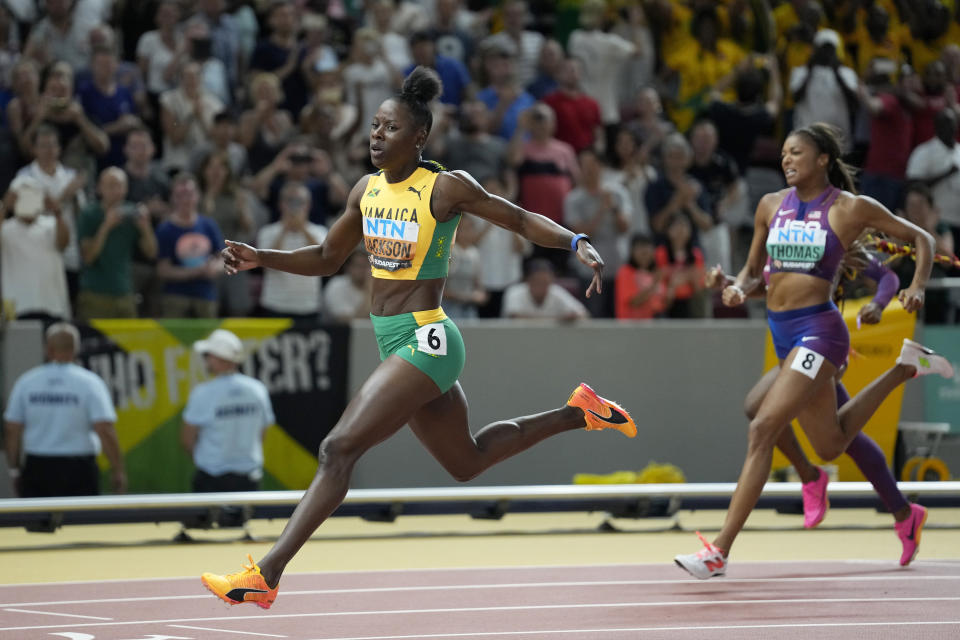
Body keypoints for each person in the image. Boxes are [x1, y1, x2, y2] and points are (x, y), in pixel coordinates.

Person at [201, 67, 635, 608]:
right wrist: (262, 257)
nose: (377, 136)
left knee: (337, 449)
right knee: (467, 463)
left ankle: (266, 574)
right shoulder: (365, 190)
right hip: (393, 341)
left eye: (390, 127)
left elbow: (520, 220)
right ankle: (580, 411)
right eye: (374, 126)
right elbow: (328, 258)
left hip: (427, 339)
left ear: (419, 137)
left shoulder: (444, 187)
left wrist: (576, 241)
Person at [674, 123, 954, 580]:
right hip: (783, 334)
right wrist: (731, 288)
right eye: (783, 153)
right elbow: (752, 277)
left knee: (764, 425)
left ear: (822, 158)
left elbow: (920, 239)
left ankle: (719, 550)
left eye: (796, 153)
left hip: (820, 332)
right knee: (829, 441)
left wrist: (916, 286)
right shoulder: (770, 206)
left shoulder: (849, 208)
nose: (786, 160)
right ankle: (903, 370)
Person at [705, 244, 929, 565]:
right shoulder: (787, 236)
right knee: (831, 435)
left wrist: (878, 305)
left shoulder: (837, 234)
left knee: (794, 425)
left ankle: (815, 478)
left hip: (822, 343)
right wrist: (731, 285)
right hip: (796, 347)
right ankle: (903, 512)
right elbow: (771, 290)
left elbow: (887, 277)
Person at [4, 323, 126, 498]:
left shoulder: (27, 382)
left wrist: (14, 468)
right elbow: (104, 429)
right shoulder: (90, 383)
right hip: (79, 468)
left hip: (38, 466)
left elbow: (12, 428)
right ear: (75, 349)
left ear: (48, 348)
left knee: (37, 523)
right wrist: (118, 470)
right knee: (81, 522)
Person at [181, 329, 274, 493]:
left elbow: (187, 439)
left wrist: (208, 461)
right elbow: (262, 434)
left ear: (218, 358)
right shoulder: (258, 389)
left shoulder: (203, 393)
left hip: (211, 479)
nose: (206, 361)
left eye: (207, 355)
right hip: (248, 478)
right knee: (243, 519)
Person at [76, 167, 157, 320]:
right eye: (111, 186)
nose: (117, 191)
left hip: (125, 292)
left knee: (130, 342)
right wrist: (106, 226)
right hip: (95, 294)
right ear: (100, 188)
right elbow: (88, 257)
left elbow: (151, 253)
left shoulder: (131, 214)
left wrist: (146, 227)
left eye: (120, 186)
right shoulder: (89, 214)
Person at [256, 182, 328, 320]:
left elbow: (323, 259)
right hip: (275, 304)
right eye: (290, 201)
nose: (295, 207)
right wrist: (285, 230)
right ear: (281, 204)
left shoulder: (319, 232)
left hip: (308, 306)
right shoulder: (267, 232)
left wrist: (302, 229)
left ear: (308, 205)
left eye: (300, 201)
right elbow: (267, 263)